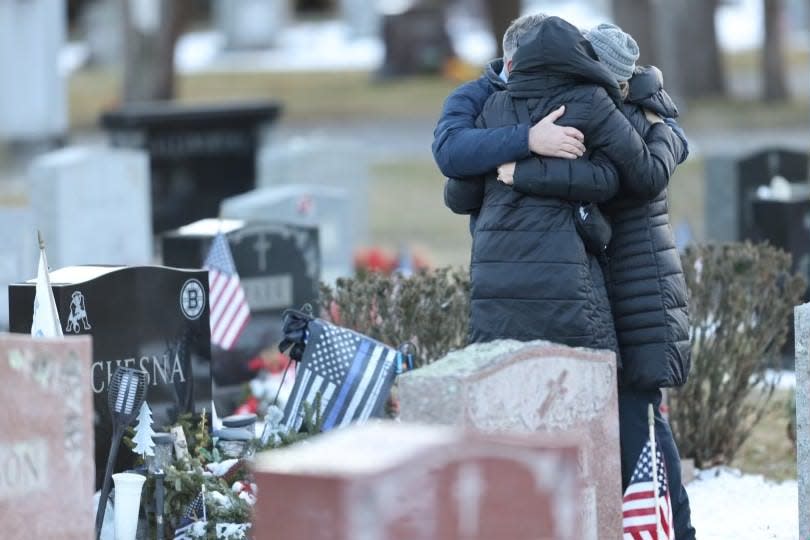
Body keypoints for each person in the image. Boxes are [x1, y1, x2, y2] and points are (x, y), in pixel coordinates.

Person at [436, 17, 696, 539]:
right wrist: (525, 143)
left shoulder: (637, 117)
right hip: (592, 277)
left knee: (639, 416)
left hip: (634, 283)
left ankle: (674, 530)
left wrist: (521, 169)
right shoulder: (515, 102)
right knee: (611, 415)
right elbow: (457, 180)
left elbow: (628, 181)